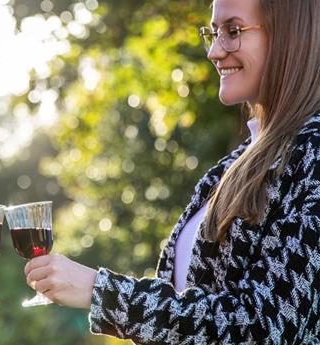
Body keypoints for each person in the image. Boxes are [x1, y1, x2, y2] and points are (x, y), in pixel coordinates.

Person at [24, 0, 320, 343]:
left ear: (289, 37)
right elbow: (177, 315)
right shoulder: (228, 170)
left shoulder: (313, 157)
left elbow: (263, 328)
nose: (214, 52)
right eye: (214, 32)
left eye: (234, 31)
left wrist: (100, 291)